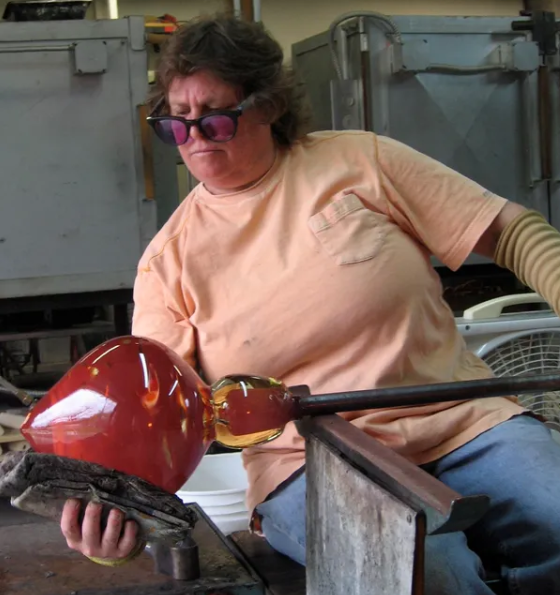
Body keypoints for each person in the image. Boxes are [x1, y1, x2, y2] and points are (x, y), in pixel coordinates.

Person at [60, 14, 560, 594]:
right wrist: (116, 506)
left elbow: (512, 232)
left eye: (216, 118)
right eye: (176, 124)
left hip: (461, 420)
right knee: (423, 567)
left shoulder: (360, 161)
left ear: (268, 105)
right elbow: (153, 412)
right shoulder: (169, 261)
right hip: (308, 461)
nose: (195, 138)